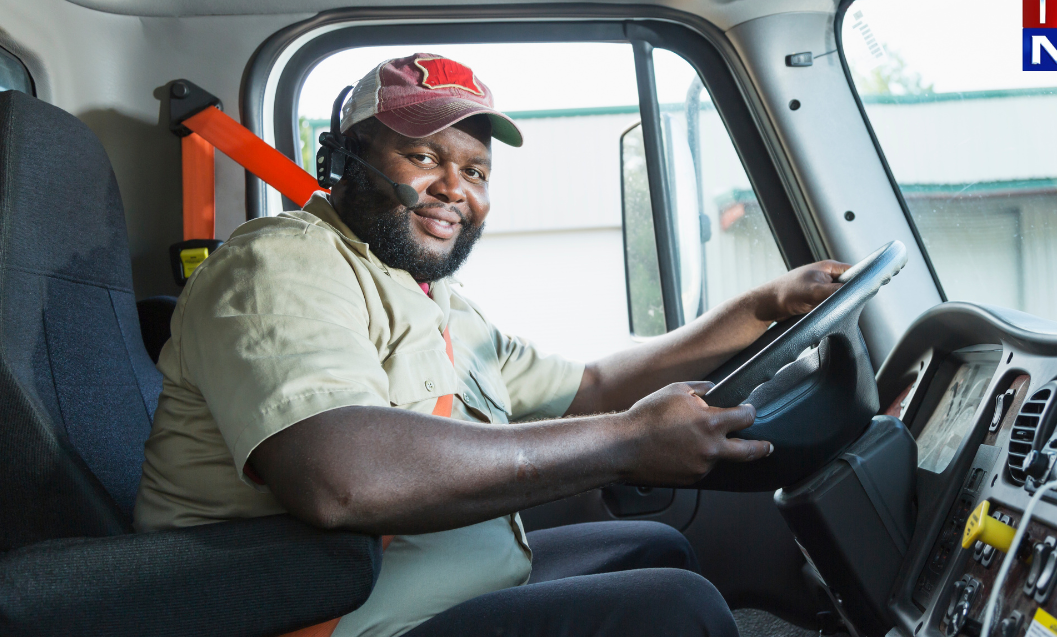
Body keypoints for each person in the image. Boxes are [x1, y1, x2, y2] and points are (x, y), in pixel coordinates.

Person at [134, 53, 851, 637]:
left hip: (432, 587)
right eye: (423, 155)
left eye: (475, 171)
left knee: (656, 550)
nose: (455, 188)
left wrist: (761, 307)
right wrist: (628, 443)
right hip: (335, 619)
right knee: (675, 610)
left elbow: (593, 386)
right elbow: (340, 476)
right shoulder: (283, 266)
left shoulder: (432, 298)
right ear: (344, 161)